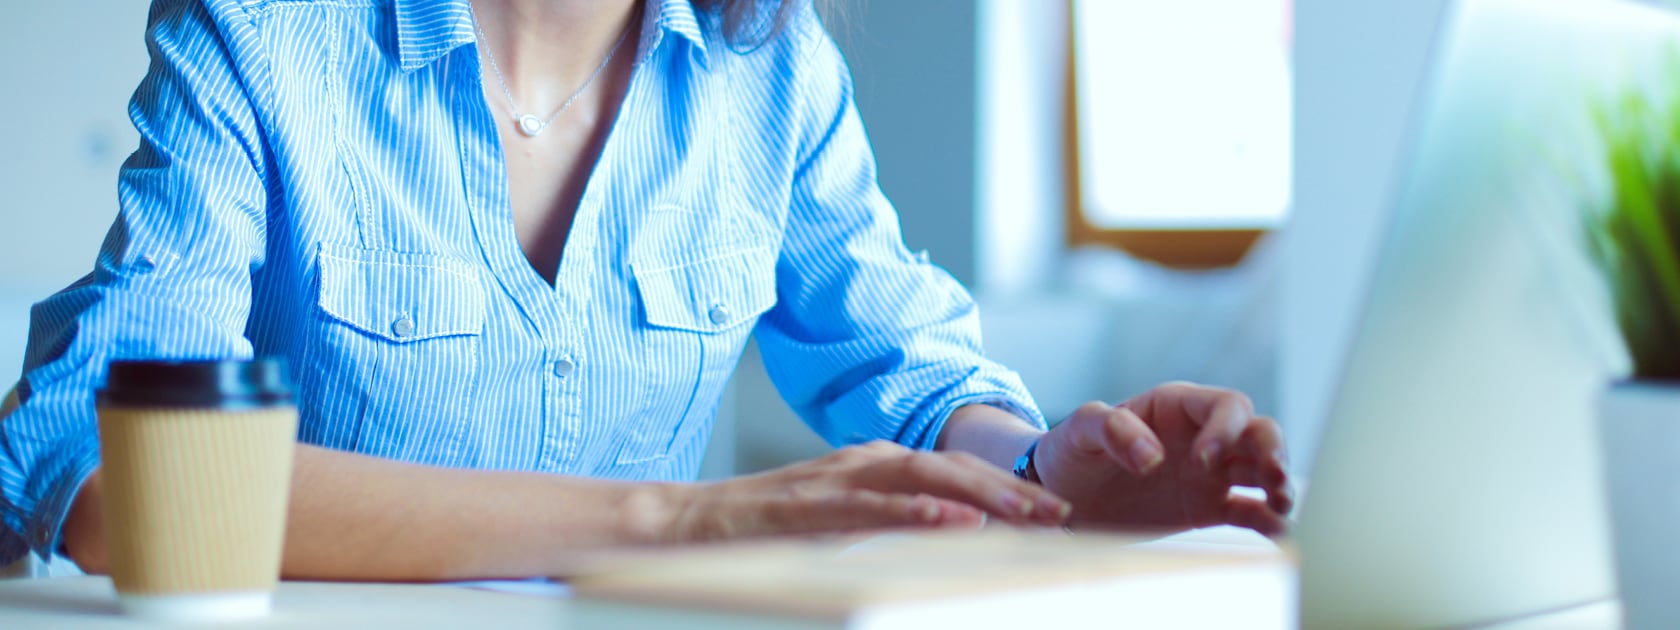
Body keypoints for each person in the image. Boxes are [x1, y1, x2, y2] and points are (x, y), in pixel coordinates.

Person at [0, 0, 1292, 580]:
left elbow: (913, 374)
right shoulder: (263, 35)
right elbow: (114, 479)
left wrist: (1049, 474)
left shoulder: (768, 74)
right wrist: (677, 517)